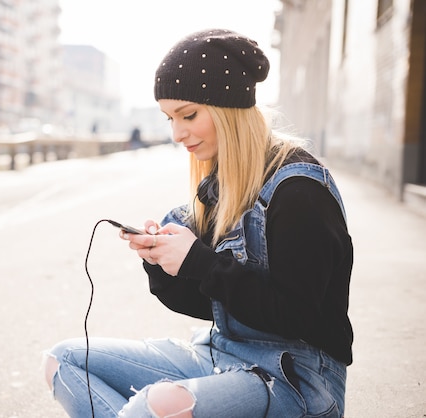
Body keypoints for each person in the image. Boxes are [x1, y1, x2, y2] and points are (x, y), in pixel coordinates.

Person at [44, 29, 353, 418]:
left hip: (298, 379)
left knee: (155, 407)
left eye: (188, 115)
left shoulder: (300, 192)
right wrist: (162, 264)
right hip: (220, 355)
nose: (176, 133)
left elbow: (297, 316)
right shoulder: (221, 186)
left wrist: (201, 263)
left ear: (229, 109)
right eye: (170, 118)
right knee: (66, 360)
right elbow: (211, 306)